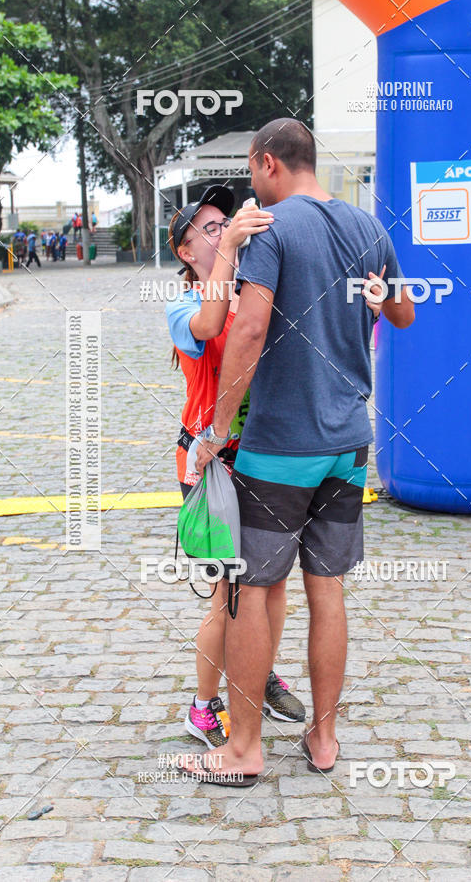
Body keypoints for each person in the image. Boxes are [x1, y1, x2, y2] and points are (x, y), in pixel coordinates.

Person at [193, 118, 414, 786]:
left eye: (253, 177)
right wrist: (380, 303)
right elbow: (404, 311)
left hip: (282, 444)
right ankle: (323, 737)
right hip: (349, 444)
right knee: (328, 590)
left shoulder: (272, 228)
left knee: (250, 593)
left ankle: (245, 749)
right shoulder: (368, 227)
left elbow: (250, 325)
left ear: (268, 164)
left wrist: (216, 428)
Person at [165, 185, 306, 750]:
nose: (223, 230)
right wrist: (232, 251)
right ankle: (203, 707)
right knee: (232, 593)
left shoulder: (251, 290)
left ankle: (256, 667)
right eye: (209, 227)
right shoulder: (183, 309)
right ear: (185, 251)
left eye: (227, 221)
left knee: (271, 588)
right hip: (211, 464)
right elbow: (210, 320)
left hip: (262, 455)